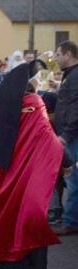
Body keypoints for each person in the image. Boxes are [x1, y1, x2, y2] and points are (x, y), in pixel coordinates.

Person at [0, 61, 64, 269]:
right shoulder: (34, 101)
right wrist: (67, 161)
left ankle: (8, 268)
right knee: (24, 213)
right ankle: (29, 264)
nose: (39, 80)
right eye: (37, 77)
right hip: (27, 171)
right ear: (29, 80)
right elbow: (47, 136)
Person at [52, 40, 78, 236]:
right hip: (70, 135)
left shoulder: (75, 76)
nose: (55, 58)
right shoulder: (71, 76)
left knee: (73, 180)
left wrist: (65, 136)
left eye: (58, 54)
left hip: (72, 137)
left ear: (68, 55)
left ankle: (71, 222)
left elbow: (75, 108)